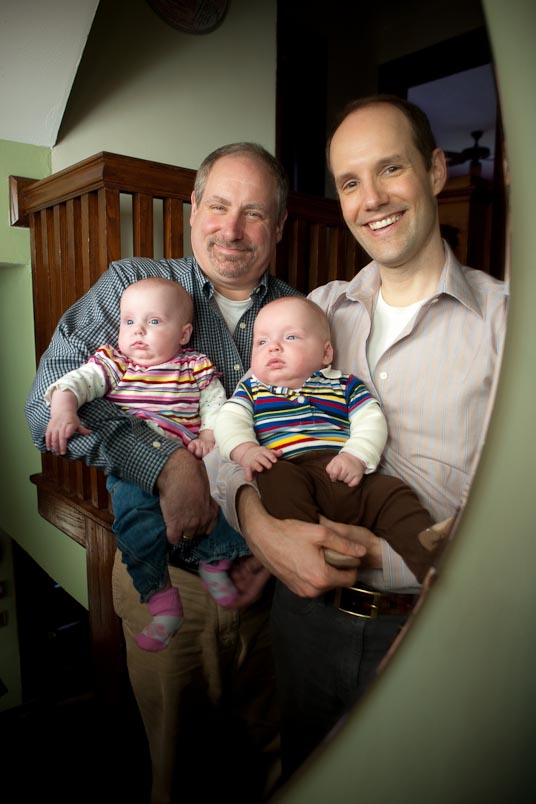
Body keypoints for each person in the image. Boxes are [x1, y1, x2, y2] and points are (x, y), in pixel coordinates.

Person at [26, 142, 354, 804]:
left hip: (272, 585)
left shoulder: (301, 312)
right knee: (177, 768)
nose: (232, 230)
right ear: (194, 207)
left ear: (279, 227)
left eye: (254, 213)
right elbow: (46, 407)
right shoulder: (133, 289)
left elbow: (320, 430)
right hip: (170, 580)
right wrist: (167, 462)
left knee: (279, 761)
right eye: (220, 206)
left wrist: (285, 532)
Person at [215, 96, 509, 781]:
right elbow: (232, 425)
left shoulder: (506, 325)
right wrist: (259, 523)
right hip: (305, 622)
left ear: (434, 170)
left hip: (428, 626)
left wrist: (444, 594)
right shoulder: (315, 310)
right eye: (350, 181)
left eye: (390, 169)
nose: (370, 198)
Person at [43, 276, 249, 653]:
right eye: (129, 321)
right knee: (135, 526)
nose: (137, 331)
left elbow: (215, 405)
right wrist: (63, 411)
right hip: (134, 471)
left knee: (218, 506)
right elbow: (76, 382)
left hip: (194, 463)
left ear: (183, 333)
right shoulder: (115, 363)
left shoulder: (195, 365)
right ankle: (160, 598)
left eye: (153, 321)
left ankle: (216, 562)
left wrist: (208, 435)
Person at [215, 295, 452, 583]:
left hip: (343, 471)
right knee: (273, 476)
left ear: (326, 354)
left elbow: (370, 419)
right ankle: (309, 543)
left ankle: (428, 553)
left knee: (392, 492)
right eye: (262, 342)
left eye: (290, 337)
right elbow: (229, 421)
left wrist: (356, 455)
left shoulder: (344, 384)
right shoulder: (252, 390)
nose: (273, 347)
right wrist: (246, 450)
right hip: (291, 469)